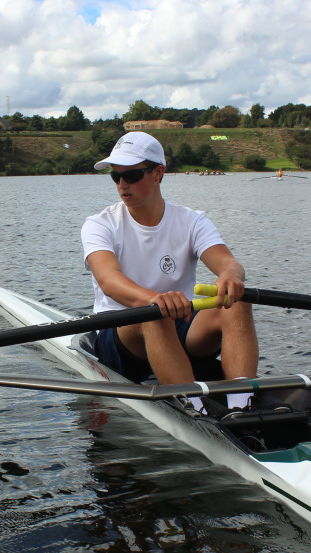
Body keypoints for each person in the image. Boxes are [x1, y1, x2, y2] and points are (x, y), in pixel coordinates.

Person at [81, 132, 257, 412]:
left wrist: (231, 277)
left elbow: (228, 262)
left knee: (238, 301)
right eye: (116, 177)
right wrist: (153, 299)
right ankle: (196, 410)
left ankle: (242, 406)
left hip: (182, 324)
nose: (123, 185)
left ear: (158, 173)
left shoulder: (191, 221)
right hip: (120, 335)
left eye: (133, 175)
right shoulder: (100, 225)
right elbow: (108, 280)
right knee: (155, 312)